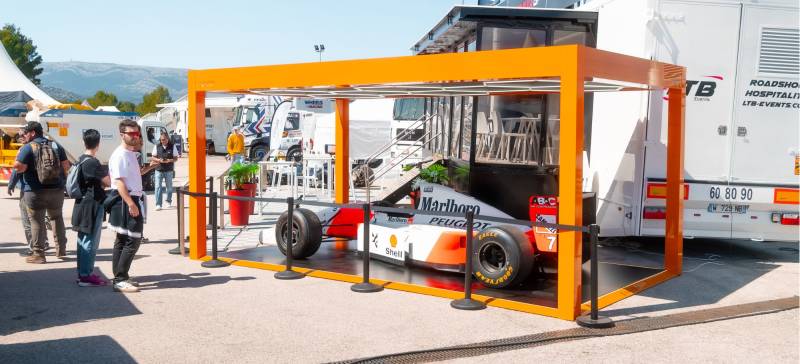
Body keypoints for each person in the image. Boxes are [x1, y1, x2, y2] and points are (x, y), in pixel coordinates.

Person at [107, 119, 159, 293]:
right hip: (125, 199)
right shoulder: (120, 154)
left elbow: (132, 175)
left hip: (129, 198)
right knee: (133, 239)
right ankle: (120, 279)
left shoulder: (130, 153)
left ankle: (120, 276)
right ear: (122, 135)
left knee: (122, 239)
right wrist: (131, 203)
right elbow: (119, 182)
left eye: (137, 133)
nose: (136, 136)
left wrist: (149, 168)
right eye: (132, 134)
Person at [13, 121, 70, 264]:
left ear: (33, 133)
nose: (24, 135)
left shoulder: (28, 147)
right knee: (57, 218)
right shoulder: (55, 145)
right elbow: (66, 166)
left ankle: (38, 254)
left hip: (35, 191)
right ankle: (61, 250)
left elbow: (18, 167)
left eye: (26, 133)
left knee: (37, 221)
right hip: (56, 190)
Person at [72, 129, 111, 287]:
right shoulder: (93, 162)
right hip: (92, 205)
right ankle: (86, 276)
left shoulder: (80, 159)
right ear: (98, 144)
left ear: (83, 142)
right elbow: (108, 182)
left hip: (81, 203)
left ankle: (82, 273)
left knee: (82, 240)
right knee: (90, 241)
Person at [151, 131, 179, 210]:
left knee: (169, 187)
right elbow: (152, 157)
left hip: (169, 170)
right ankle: (158, 204)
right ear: (160, 139)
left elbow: (176, 158)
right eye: (162, 139)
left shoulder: (172, 146)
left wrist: (169, 160)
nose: (163, 141)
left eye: (165, 139)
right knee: (158, 187)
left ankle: (168, 202)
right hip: (159, 170)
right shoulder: (157, 146)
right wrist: (159, 160)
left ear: (168, 139)